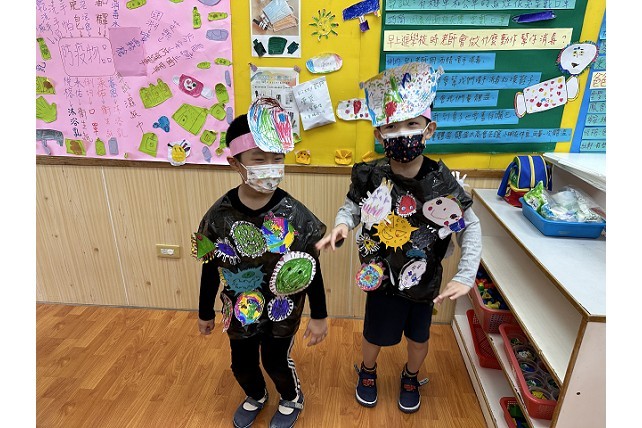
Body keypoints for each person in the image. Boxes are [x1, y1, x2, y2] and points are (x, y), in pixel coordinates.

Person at [315, 62, 482, 414]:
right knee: (374, 334)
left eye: (411, 124)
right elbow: (352, 208)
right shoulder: (371, 174)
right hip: (380, 276)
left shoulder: (441, 181)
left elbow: (469, 225)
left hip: (423, 282)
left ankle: (411, 376)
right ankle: (368, 370)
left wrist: (466, 274)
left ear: (429, 129)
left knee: (419, 339)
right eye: (391, 126)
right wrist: (343, 225)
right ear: (379, 134)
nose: (401, 133)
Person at [193, 98, 328, 428]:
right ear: (236, 163)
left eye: (277, 158)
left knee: (275, 361)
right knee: (241, 364)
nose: (270, 166)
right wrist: (205, 311)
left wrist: (319, 315)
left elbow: (310, 266)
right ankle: (256, 394)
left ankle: (291, 397)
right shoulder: (218, 216)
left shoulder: (295, 214)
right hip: (240, 306)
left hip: (283, 307)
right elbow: (210, 264)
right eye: (259, 158)